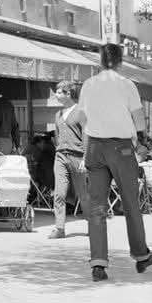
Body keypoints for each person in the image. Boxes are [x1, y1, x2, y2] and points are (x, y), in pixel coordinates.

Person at [77, 43, 152, 282]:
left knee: (97, 207)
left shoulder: (88, 85)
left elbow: (82, 119)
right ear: (121, 62)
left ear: (100, 61)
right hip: (121, 148)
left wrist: (88, 146)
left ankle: (98, 263)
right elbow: (139, 121)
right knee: (130, 203)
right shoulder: (127, 84)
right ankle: (141, 255)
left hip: (94, 147)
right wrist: (140, 141)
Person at [49, 81, 89, 239]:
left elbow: (86, 134)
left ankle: (93, 225)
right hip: (60, 156)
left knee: (83, 193)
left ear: (68, 94)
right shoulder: (57, 114)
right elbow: (57, 136)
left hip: (77, 156)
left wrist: (85, 157)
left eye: (59, 92)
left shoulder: (81, 112)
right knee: (59, 193)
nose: (56, 95)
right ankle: (59, 228)